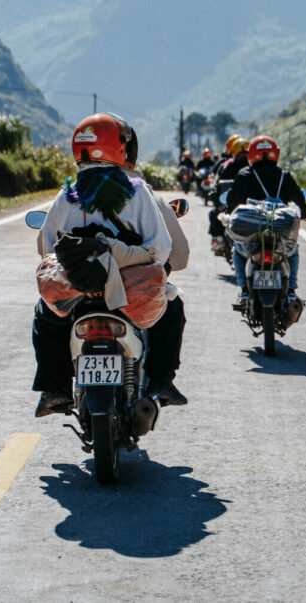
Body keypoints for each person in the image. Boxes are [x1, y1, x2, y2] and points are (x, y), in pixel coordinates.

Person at [32, 113, 187, 416]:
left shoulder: (67, 193)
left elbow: (47, 248)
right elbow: (161, 247)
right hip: (131, 293)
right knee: (173, 309)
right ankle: (160, 382)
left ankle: (55, 389)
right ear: (119, 147)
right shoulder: (137, 190)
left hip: (79, 288)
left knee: (44, 315)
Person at [226, 134, 306, 306]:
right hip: (280, 233)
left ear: (251, 154)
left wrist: (229, 211)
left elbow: (233, 202)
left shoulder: (244, 175)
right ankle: (292, 291)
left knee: (238, 251)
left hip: (252, 234)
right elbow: (299, 198)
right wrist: (305, 212)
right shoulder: (284, 175)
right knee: (293, 252)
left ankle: (244, 291)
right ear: (275, 153)